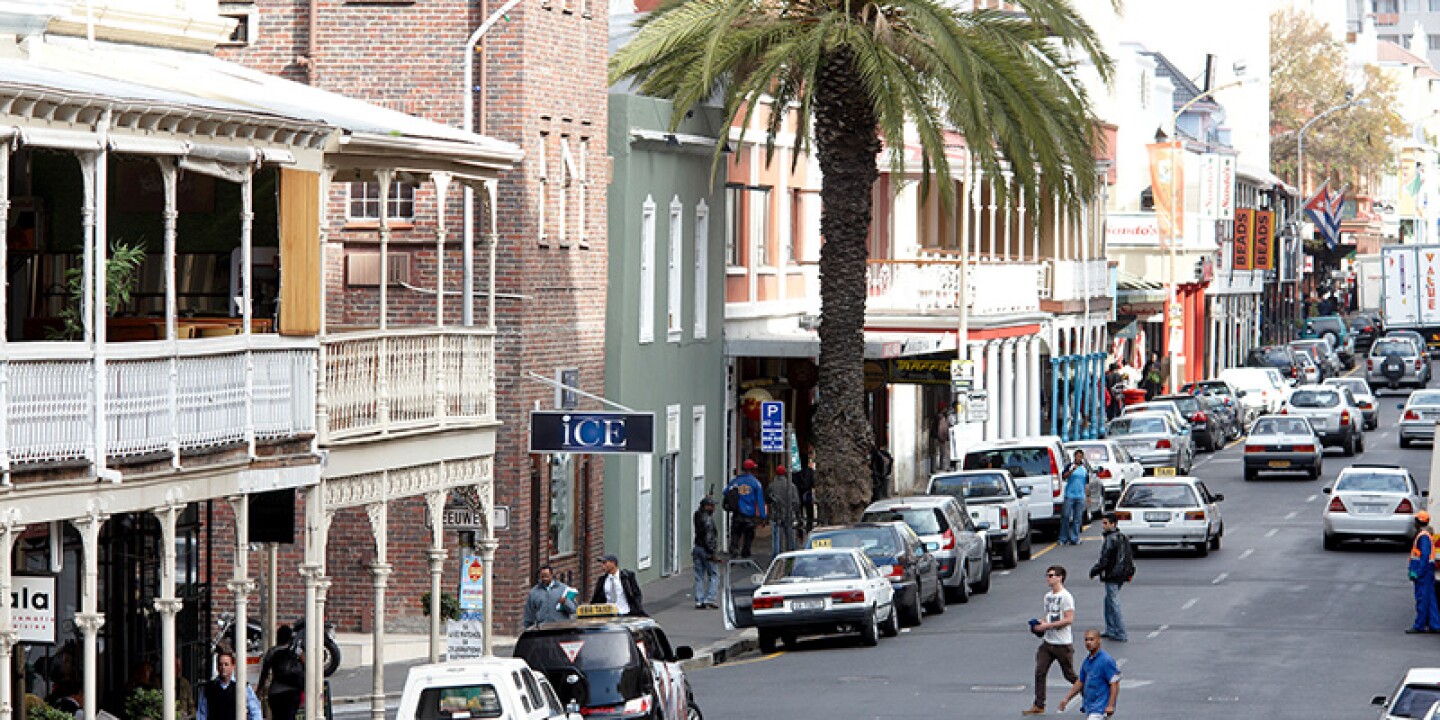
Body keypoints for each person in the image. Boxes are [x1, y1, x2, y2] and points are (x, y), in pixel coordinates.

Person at [1023, 565, 1078, 716]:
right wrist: (1040, 624)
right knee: (1040, 671)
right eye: (1047, 575)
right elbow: (1048, 614)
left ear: (1060, 578)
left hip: (1062, 643)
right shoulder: (1048, 596)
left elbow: (1069, 619)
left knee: (1070, 675)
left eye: (1051, 575)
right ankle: (1039, 704)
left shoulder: (1066, 597)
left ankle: (1091, 697)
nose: (1048, 578)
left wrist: (1048, 625)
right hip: (1048, 642)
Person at [1089, 512, 1134, 642]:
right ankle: (1111, 629)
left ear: (1113, 524)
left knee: (1113, 603)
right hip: (1121, 574)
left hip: (1112, 575)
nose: (1103, 526)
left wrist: (1095, 570)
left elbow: (1105, 559)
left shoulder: (1110, 539)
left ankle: (1120, 632)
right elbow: (1128, 557)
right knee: (1108, 601)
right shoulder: (1122, 537)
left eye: (1105, 523)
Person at [1057, 629, 1122, 718]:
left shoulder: (1106, 660)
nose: (1088, 642)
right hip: (1090, 707)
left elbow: (1114, 683)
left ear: (1099, 640)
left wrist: (1110, 705)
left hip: (1100, 707)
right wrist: (1066, 699)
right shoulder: (1087, 661)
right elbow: (1080, 682)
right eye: (1086, 640)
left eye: (1091, 639)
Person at [198, 649, 262, 720]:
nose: (223, 667)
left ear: (232, 666)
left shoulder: (243, 687)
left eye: (226, 664)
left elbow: (255, 711)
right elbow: (202, 713)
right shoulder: (208, 688)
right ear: (217, 667)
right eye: (220, 664)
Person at [257, 626, 302, 720]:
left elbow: (264, 673)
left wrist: (259, 689)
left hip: (276, 692)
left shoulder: (272, 651)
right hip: (293, 692)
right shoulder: (296, 651)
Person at [725, 460, 767, 558]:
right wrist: (763, 516)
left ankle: (734, 551)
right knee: (748, 536)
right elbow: (760, 501)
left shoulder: (736, 481)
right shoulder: (756, 483)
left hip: (737, 512)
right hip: (749, 514)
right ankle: (746, 554)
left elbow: (726, 492)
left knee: (735, 533)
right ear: (752, 469)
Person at [1408, 511, 1440, 634]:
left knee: (1422, 598)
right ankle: (1435, 624)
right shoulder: (1425, 535)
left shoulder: (1423, 536)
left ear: (1419, 522)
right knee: (1431, 599)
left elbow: (1424, 556)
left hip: (1423, 573)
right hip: (1427, 571)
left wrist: (1418, 572)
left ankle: (1419, 625)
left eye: (1416, 520)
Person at [692, 497, 720, 609]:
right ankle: (710, 598)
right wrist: (712, 553)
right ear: (707, 506)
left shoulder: (697, 515)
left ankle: (699, 600)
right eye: (712, 506)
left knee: (699, 575)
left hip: (697, 548)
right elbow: (709, 538)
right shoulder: (708, 520)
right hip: (706, 550)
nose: (714, 508)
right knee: (714, 574)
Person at [769, 465, 799, 556]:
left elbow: (768, 498)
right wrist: (794, 512)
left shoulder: (772, 486)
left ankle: (776, 556)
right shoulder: (791, 486)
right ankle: (791, 555)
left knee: (776, 537)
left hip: (776, 514)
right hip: (788, 513)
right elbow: (796, 502)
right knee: (790, 535)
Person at [1059, 450, 1088, 545]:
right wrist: (1072, 470)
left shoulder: (1084, 468)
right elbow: (1064, 476)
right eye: (1077, 456)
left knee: (1078, 518)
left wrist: (1087, 496)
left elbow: (1086, 483)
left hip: (1080, 496)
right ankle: (1063, 538)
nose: (1079, 458)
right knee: (1066, 516)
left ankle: (1074, 538)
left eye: (1080, 456)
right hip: (1070, 495)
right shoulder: (1070, 466)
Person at [794, 457, 817, 532]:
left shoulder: (797, 472)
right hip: (808, 494)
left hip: (799, 494)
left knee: (799, 512)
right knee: (809, 513)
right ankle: (809, 528)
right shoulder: (810, 471)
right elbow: (814, 482)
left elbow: (794, 483)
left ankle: (800, 528)